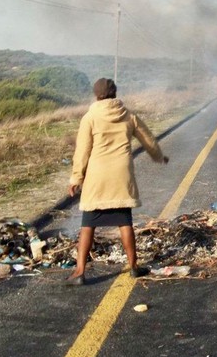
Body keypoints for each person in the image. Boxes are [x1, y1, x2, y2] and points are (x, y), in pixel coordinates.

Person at [66, 78, 169, 285]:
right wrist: (159, 156)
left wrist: (76, 177)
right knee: (124, 221)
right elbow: (147, 139)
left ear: (96, 95)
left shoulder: (90, 117)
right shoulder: (129, 116)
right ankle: (133, 266)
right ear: (114, 93)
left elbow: (82, 150)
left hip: (97, 175)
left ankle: (79, 272)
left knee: (88, 225)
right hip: (121, 174)